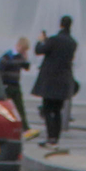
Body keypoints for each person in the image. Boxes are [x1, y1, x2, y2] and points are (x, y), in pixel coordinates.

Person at [32, 15, 78, 148]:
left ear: (61, 25)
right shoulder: (72, 42)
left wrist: (41, 40)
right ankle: (55, 139)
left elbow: (39, 50)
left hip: (50, 81)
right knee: (57, 111)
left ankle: (49, 137)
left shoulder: (54, 40)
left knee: (47, 110)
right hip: (63, 81)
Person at [0, 37, 30, 130]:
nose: (23, 52)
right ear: (18, 46)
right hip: (7, 84)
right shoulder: (8, 55)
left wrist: (25, 58)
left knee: (20, 107)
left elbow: (26, 67)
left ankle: (25, 128)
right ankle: (3, 127)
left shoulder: (20, 57)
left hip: (15, 84)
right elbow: (0, 67)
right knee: (6, 107)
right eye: (23, 49)